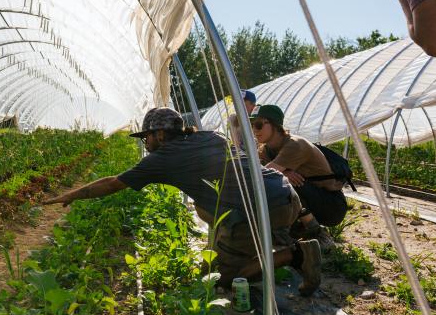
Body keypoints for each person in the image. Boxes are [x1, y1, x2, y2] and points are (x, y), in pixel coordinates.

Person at [43, 107, 322, 296]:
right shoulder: (209, 136)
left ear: (160, 134)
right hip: (285, 196)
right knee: (207, 208)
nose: (146, 143)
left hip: (266, 208)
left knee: (218, 280)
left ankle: (296, 254)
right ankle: (265, 238)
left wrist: (73, 194)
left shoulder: (164, 157)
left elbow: (114, 183)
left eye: (147, 136)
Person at [250, 105, 347, 239]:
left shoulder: (295, 144)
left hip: (331, 205)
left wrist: (282, 175)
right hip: (311, 198)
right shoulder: (266, 150)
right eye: (252, 125)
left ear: (275, 125)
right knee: (278, 181)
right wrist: (284, 173)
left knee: (282, 183)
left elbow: (262, 175)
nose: (254, 130)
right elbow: (253, 172)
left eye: (258, 125)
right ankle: (296, 230)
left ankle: (319, 234)